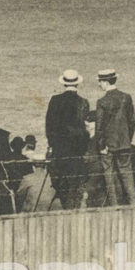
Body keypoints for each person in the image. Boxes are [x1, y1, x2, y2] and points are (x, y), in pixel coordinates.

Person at [44, 69, 91, 209]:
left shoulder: (55, 100)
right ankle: (73, 207)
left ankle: (65, 206)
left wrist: (52, 144)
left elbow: (49, 126)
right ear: (78, 84)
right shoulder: (83, 102)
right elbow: (83, 129)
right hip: (77, 150)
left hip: (60, 149)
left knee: (61, 183)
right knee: (75, 184)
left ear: (64, 84)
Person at [92, 68, 135, 206]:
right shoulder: (126, 97)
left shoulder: (102, 101)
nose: (99, 84)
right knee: (127, 174)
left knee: (109, 176)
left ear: (105, 82)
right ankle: (134, 203)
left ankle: (115, 205)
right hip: (124, 142)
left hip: (108, 146)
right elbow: (132, 121)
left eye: (100, 81)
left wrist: (101, 146)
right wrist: (127, 139)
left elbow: (99, 126)